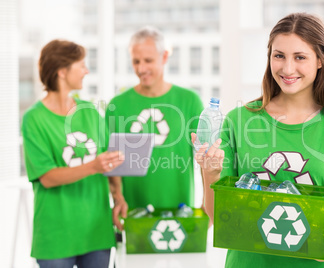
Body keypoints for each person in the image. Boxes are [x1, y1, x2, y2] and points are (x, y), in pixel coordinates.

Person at [192, 13, 324, 268]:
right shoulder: (238, 122)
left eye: (300, 57)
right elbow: (218, 216)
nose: (287, 68)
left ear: (320, 60)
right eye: (279, 55)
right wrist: (210, 172)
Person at [21, 39, 126, 268]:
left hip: (96, 231)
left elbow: (109, 160)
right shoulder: (34, 119)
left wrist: (118, 196)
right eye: (81, 65)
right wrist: (93, 167)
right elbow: (47, 177)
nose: (86, 71)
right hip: (56, 236)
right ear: (61, 71)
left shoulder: (90, 112)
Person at [105, 26, 204, 213]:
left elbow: (206, 159)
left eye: (148, 61)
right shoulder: (117, 105)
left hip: (182, 211)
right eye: (136, 62)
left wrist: (207, 203)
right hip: (134, 214)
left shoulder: (190, 101)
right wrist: (118, 199)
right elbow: (112, 163)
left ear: (164, 57)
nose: (141, 69)